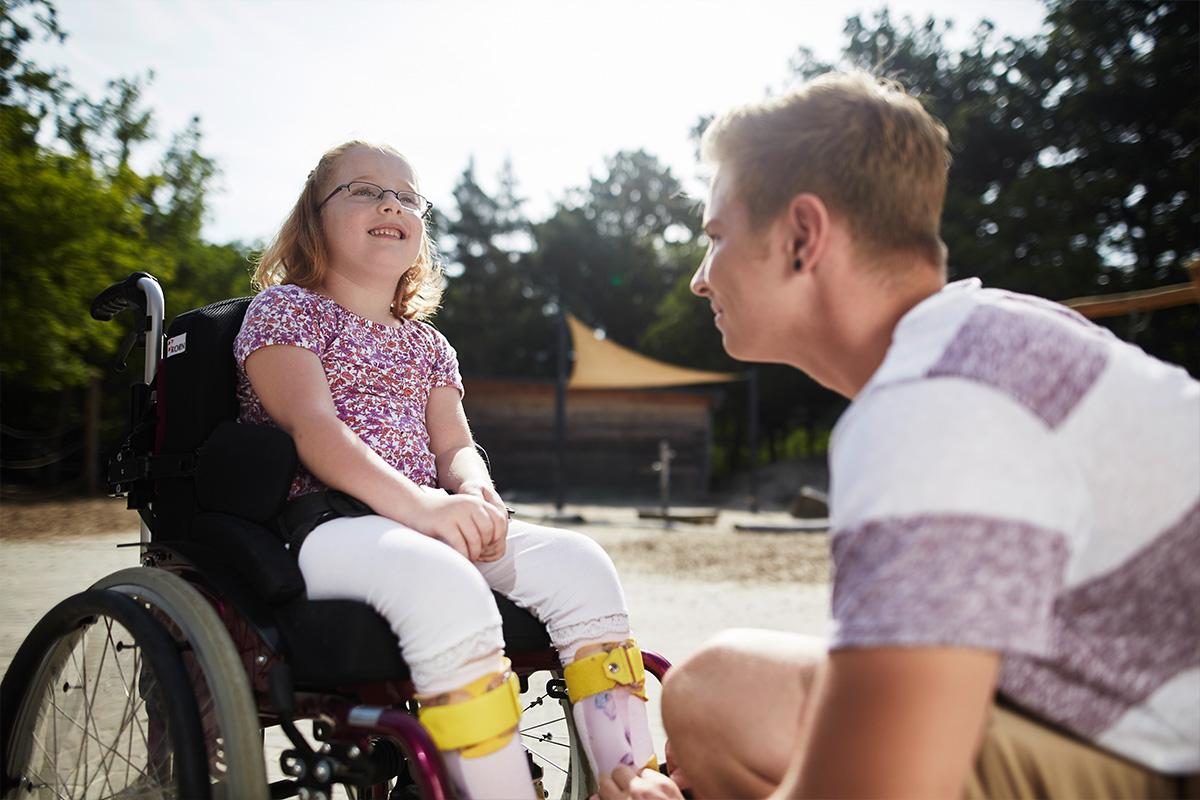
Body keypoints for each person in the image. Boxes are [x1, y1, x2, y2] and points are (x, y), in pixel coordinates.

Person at [601, 71, 1200, 800]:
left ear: (801, 237)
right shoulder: (991, 338)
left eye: (717, 237)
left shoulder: (931, 407)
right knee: (716, 695)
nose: (701, 278)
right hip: (1148, 721)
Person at [234, 140, 659, 800]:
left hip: (429, 517)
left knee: (581, 563)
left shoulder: (430, 344)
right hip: (330, 524)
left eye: (407, 197)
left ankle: (627, 777)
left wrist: (475, 493)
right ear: (314, 218)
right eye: (366, 190)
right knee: (443, 584)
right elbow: (316, 429)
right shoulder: (285, 311)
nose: (391, 203)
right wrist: (423, 509)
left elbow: (455, 446)